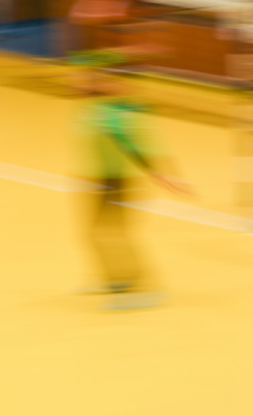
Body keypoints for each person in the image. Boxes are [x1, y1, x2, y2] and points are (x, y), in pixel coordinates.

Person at [72, 50, 191, 311]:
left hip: (119, 182)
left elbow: (134, 147)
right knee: (95, 234)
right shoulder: (98, 108)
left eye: (95, 78)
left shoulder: (117, 113)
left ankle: (146, 288)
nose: (83, 81)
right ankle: (118, 282)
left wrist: (161, 174)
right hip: (103, 181)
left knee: (112, 235)